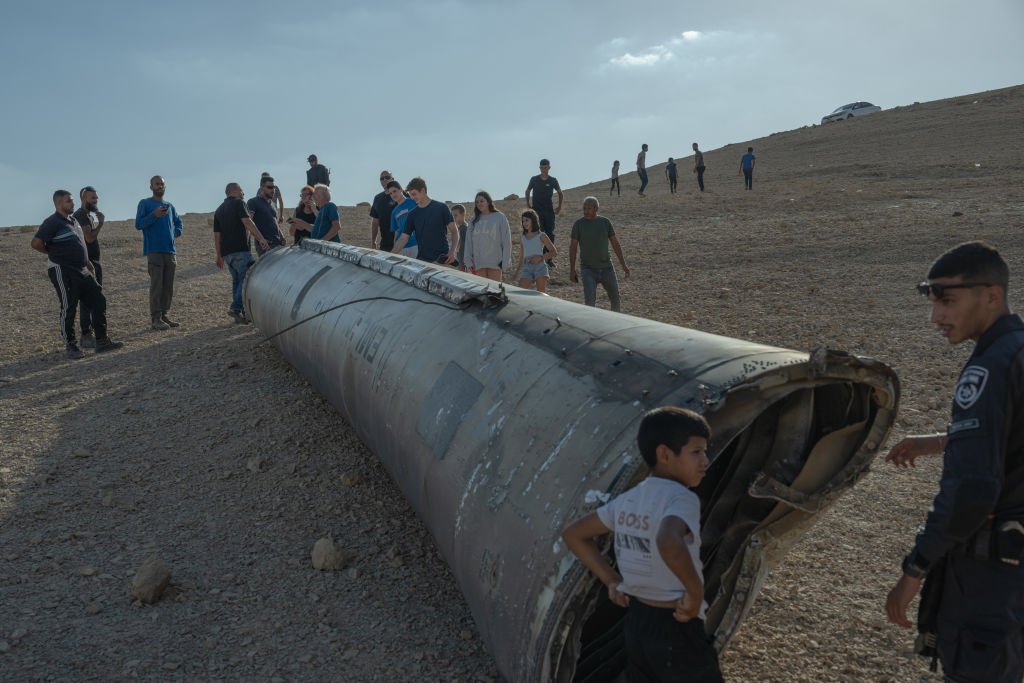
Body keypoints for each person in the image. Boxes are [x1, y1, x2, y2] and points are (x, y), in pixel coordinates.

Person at [884, 241, 1024, 683]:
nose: (936, 317)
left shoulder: (989, 368)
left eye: (947, 301)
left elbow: (972, 490)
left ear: (991, 296)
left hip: (992, 579)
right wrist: (944, 441)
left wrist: (915, 569)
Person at [562, 406, 724, 683]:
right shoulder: (681, 498)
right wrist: (695, 593)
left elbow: (574, 534)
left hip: (637, 623)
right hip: (677, 625)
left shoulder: (628, 500)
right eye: (696, 452)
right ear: (664, 454)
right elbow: (667, 540)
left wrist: (611, 580)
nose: (705, 460)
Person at [31, 190, 124, 358]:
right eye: (69, 201)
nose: (73, 204)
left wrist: (87, 262)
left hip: (82, 269)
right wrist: (54, 254)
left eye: (72, 201)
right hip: (62, 269)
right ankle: (71, 346)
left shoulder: (73, 221)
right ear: (59, 204)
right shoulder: (52, 222)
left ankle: (102, 341)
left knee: (98, 299)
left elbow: (81, 244)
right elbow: (36, 243)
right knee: (69, 306)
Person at [214, 183, 268, 324]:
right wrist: (261, 238)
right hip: (240, 249)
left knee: (237, 281)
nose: (243, 192)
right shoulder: (239, 203)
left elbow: (217, 236)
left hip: (227, 253)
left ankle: (242, 316)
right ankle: (236, 308)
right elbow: (247, 222)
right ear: (235, 191)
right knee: (246, 280)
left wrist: (219, 255)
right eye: (242, 190)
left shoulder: (219, 209)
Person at [135, 175, 182, 330]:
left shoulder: (170, 205)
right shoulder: (145, 203)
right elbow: (139, 224)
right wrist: (154, 215)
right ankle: (155, 318)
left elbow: (178, 221)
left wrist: (177, 231)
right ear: (151, 187)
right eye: (157, 184)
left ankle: (164, 315)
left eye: (162, 184)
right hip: (154, 249)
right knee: (157, 285)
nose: (160, 186)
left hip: (170, 250)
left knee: (168, 285)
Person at [569, 197, 630, 312]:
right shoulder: (578, 224)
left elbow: (615, 244)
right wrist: (572, 269)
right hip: (588, 270)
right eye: (584, 208)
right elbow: (573, 247)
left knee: (616, 299)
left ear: (596, 209)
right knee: (590, 302)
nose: (586, 211)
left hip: (607, 268)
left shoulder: (605, 223)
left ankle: (615, 323)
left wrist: (624, 265)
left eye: (589, 208)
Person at [392, 177, 458, 265]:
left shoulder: (442, 208)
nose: (412, 198)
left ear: (423, 190)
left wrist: (452, 252)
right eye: (410, 195)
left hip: (442, 261)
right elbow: (403, 238)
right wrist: (389, 255)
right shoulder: (412, 214)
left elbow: (454, 231)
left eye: (414, 194)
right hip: (422, 262)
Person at [71, 186, 104, 348]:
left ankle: (96, 332)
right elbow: (89, 239)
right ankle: (86, 334)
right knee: (87, 299)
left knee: (96, 298)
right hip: (87, 263)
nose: (95, 201)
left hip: (94, 262)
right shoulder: (80, 216)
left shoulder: (88, 216)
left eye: (96, 198)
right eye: (92, 198)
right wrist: (101, 224)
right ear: (83, 199)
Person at [463, 191, 511, 282]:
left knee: (494, 291)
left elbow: (506, 240)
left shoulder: (500, 217)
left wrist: (505, 261)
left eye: (482, 201)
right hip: (478, 262)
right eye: (477, 202)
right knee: (482, 292)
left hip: (495, 262)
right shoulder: (474, 220)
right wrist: (468, 261)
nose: (479, 204)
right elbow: (469, 241)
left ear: (488, 201)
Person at [525, 159, 563, 266]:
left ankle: (549, 258)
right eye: (542, 168)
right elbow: (527, 191)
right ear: (539, 168)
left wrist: (559, 206)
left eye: (545, 167)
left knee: (550, 233)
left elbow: (560, 193)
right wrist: (528, 205)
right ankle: (539, 257)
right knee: (539, 234)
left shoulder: (553, 180)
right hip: (537, 212)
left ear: (549, 168)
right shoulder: (534, 179)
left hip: (549, 211)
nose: (543, 170)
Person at [516, 209, 556, 293]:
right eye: (523, 221)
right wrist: (517, 272)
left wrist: (541, 258)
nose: (524, 223)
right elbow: (522, 256)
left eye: (527, 220)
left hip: (540, 267)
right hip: (527, 267)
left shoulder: (541, 235)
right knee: (520, 292)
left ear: (533, 220)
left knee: (541, 294)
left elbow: (554, 252)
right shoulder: (522, 237)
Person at [247, 176, 286, 256]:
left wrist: (282, 237)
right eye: (270, 187)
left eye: (274, 187)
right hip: (266, 246)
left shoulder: (272, 204)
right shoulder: (253, 202)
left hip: (278, 245)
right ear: (262, 188)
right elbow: (248, 224)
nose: (273, 190)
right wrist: (261, 239)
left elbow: (274, 222)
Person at [370, 170, 398, 252]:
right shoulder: (378, 198)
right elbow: (375, 222)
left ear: (392, 179)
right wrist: (373, 241)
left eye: (387, 177)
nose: (384, 180)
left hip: (402, 242)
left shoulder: (401, 195)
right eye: (382, 178)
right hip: (385, 244)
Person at [451, 204, 469, 271]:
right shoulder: (460, 228)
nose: (453, 217)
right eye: (452, 215)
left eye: (455, 215)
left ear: (463, 214)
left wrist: (464, 265)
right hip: (461, 263)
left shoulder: (464, 229)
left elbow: (465, 249)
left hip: (464, 265)